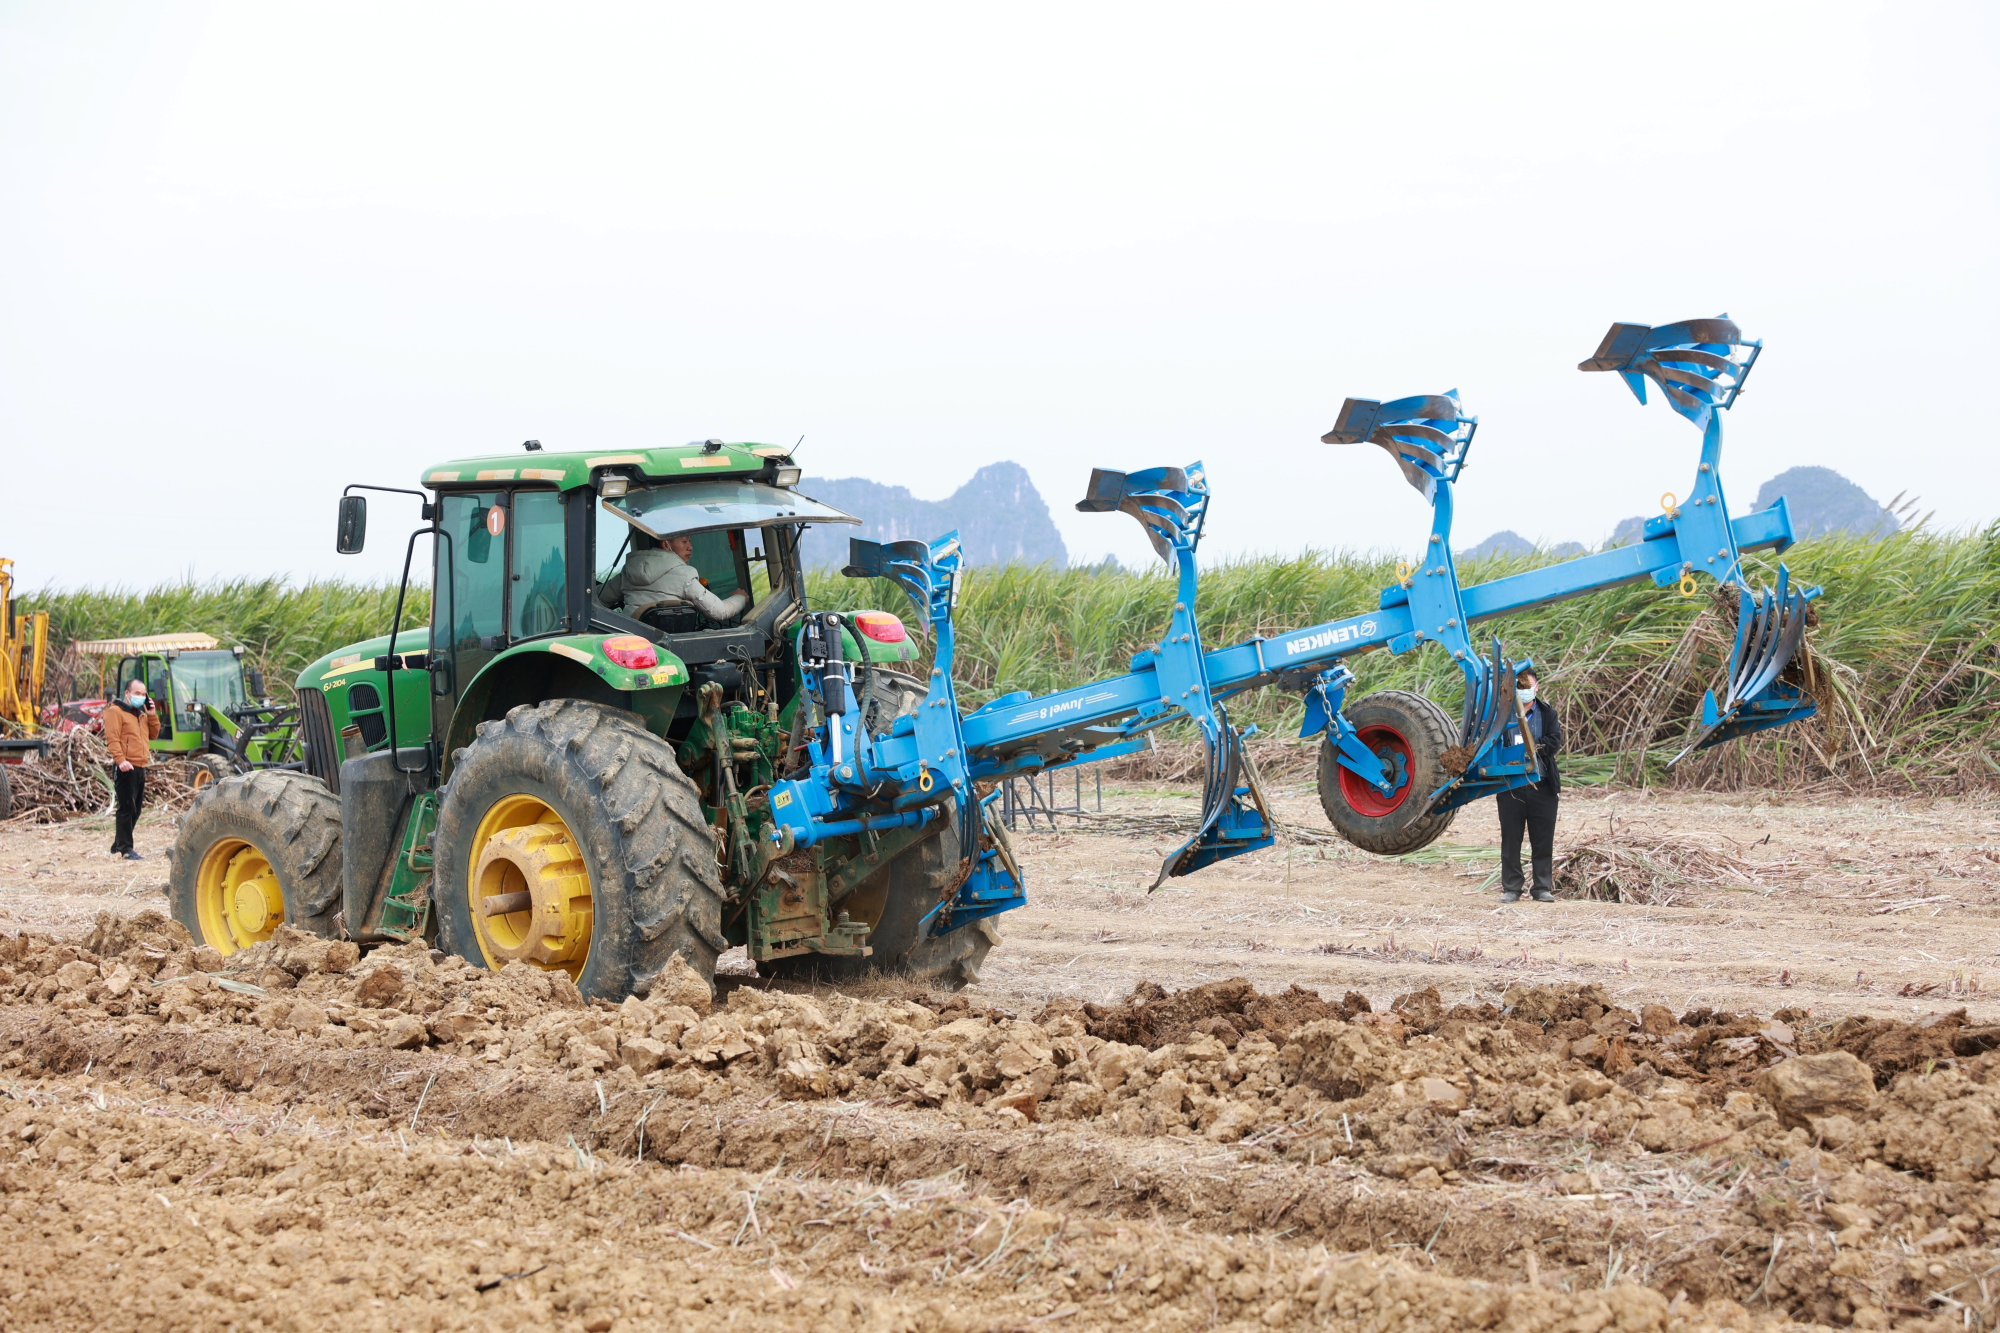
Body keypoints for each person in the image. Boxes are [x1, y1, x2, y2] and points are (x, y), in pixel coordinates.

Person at [1497, 668, 1562, 904]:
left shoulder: (1547, 714)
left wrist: (1533, 746)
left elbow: (1555, 741)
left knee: (1543, 839)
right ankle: (1512, 888)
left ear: (1537, 687)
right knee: (1511, 839)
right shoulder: (1503, 715)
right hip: (1511, 787)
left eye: (1528, 686)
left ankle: (1542, 887)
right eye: (1519, 687)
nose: (1524, 691)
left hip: (1542, 786)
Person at [621, 531, 750, 624]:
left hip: (631, 643)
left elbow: (601, 598)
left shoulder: (628, 571)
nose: (690, 547)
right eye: (684, 541)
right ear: (666, 545)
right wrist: (740, 598)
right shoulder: (684, 575)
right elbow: (719, 612)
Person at [103, 677, 159, 860]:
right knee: (126, 808)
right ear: (127, 693)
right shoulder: (115, 712)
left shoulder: (141, 714)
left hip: (140, 765)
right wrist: (120, 760)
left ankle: (117, 844)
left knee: (136, 810)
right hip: (126, 766)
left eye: (144, 694)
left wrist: (152, 714)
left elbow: (154, 734)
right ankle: (126, 849)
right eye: (137, 693)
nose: (141, 697)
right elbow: (112, 739)